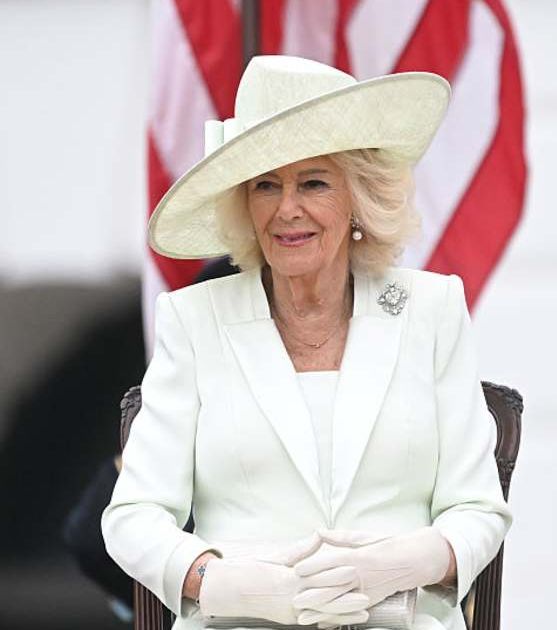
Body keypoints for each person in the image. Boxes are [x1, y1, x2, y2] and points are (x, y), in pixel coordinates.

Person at [102, 56, 511, 630]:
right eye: (266, 185)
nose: (286, 208)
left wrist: (399, 564)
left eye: (313, 182)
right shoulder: (194, 320)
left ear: (358, 202)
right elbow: (133, 516)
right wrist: (214, 579)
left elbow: (478, 511)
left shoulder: (433, 310)